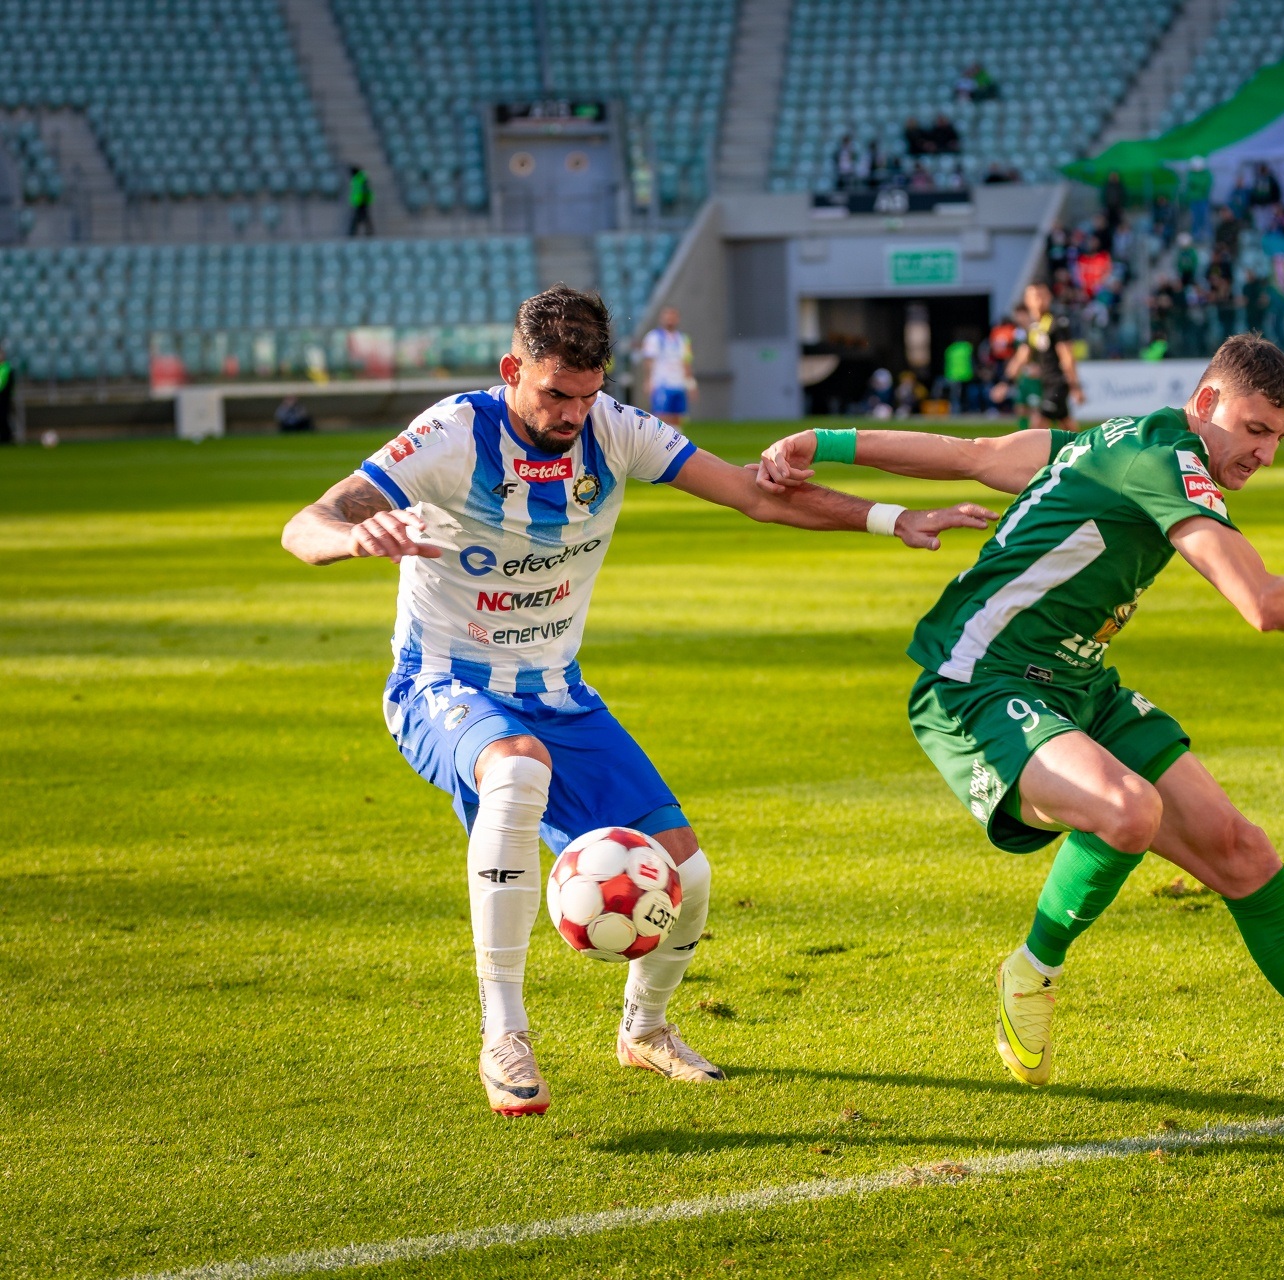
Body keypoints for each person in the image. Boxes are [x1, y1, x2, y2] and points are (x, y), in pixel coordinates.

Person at [753, 334, 1284, 1122]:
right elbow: (1263, 604)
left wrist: (824, 443)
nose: (1265, 454)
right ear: (1207, 402)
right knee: (1127, 808)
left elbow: (975, 455)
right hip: (980, 681)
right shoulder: (1166, 460)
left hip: (1077, 684)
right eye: (1255, 429)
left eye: (1280, 438)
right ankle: (1033, 969)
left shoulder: (1116, 439)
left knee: (1241, 852)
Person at [279, 287, 990, 1117]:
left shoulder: (616, 430)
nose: (572, 415)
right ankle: (504, 1033)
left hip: (558, 691)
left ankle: (644, 1030)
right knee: (517, 770)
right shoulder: (452, 435)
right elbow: (307, 523)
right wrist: (351, 537)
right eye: (555, 394)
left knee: (687, 874)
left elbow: (756, 494)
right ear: (513, 370)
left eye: (587, 395)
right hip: (442, 681)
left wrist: (890, 518)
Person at [1001, 283, 1083, 428]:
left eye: (1041, 296)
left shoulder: (1057, 323)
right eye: (1034, 296)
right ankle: (1086, 443)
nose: (1038, 300)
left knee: (1038, 424)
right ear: (1027, 300)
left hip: (1058, 383)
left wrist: (1074, 386)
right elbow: (1021, 358)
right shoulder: (1033, 327)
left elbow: (1067, 357)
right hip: (1045, 384)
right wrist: (1005, 382)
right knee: (1067, 426)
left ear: (1049, 298)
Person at [638, 307, 695, 427]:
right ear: (661, 318)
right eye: (667, 316)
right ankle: (661, 438)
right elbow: (648, 360)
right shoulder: (653, 337)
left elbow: (686, 362)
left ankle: (677, 436)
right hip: (661, 383)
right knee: (661, 415)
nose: (670, 319)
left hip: (679, 383)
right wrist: (648, 381)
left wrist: (691, 383)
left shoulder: (683, 339)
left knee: (679, 416)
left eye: (673, 317)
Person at [347, 166, 374, 237]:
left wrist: (363, 200)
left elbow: (363, 190)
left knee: (359, 217)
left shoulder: (360, 179)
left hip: (361, 201)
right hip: (359, 201)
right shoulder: (358, 178)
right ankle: (368, 231)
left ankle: (353, 232)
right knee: (363, 217)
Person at [0, 343, 13, 445]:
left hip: (4, 398)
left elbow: (5, 384)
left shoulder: (7, 368)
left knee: (3, 417)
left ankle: (6, 438)